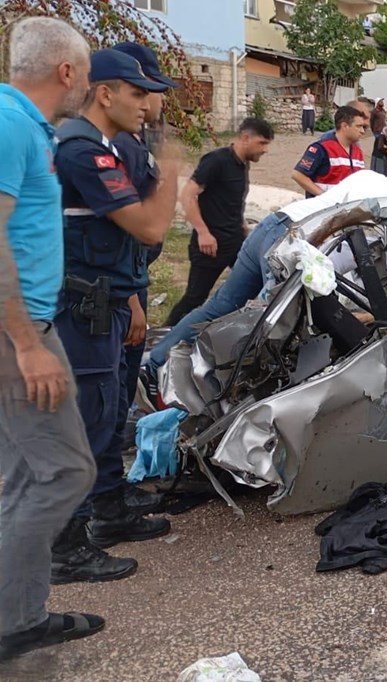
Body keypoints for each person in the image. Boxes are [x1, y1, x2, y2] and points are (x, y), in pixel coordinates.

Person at [139, 155, 387, 399]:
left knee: (220, 306)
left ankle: (152, 364)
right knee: (261, 333)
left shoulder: (365, 176)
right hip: (295, 251)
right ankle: (218, 400)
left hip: (276, 224)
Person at [0, 17, 108, 662]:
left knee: (22, 476)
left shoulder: (22, 123)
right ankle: (11, 625)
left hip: (25, 327)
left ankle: (21, 612)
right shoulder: (12, 124)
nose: (88, 84)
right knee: (66, 471)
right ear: (66, 71)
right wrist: (27, 343)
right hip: (18, 334)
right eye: (87, 72)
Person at [53, 48, 178, 581]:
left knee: (104, 414)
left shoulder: (101, 144)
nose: (147, 105)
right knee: (83, 424)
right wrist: (171, 177)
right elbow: (148, 229)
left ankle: (102, 512)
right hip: (80, 309)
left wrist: (129, 297)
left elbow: (122, 244)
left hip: (103, 301)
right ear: (105, 92)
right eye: (137, 93)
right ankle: (66, 544)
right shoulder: (84, 150)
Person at [108, 41, 177, 514]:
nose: (158, 99)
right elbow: (127, 235)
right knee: (109, 396)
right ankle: (103, 501)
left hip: (132, 282)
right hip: (120, 289)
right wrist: (133, 299)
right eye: (148, 90)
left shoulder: (135, 145)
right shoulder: (120, 150)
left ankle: (111, 488)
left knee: (118, 392)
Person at [166, 118, 274, 326]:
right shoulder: (216, 160)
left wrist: (243, 226)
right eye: (262, 143)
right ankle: (166, 338)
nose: (265, 150)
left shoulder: (243, 165)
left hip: (235, 242)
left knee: (257, 286)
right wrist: (203, 232)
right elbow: (188, 195)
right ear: (245, 138)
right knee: (194, 298)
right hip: (210, 246)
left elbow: (228, 199)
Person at [293, 104, 367, 198]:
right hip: (323, 208)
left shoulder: (358, 152)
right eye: (359, 126)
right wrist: (325, 197)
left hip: (347, 209)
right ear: (345, 126)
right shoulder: (321, 148)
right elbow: (298, 175)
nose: (362, 131)